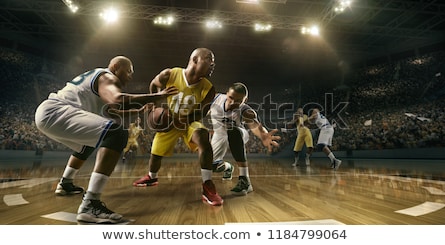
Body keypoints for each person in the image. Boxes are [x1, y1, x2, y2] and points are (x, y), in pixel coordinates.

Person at [35, 56, 177, 223]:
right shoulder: (108, 77)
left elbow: (114, 112)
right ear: (116, 67)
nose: (131, 76)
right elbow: (118, 100)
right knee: (117, 133)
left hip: (50, 113)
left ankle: (66, 183)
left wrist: (140, 110)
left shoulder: (99, 84)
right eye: (129, 71)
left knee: (90, 141)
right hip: (57, 112)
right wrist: (157, 96)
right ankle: (91, 204)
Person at [132, 48, 224, 206]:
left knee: (203, 136)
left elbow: (202, 112)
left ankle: (207, 184)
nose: (213, 63)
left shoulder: (209, 88)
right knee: (155, 153)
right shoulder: (170, 74)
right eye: (209, 59)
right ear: (195, 60)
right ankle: (152, 177)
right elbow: (154, 85)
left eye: (213, 60)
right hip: (169, 119)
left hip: (189, 121)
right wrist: (154, 103)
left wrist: (186, 119)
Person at [209, 82, 281, 195]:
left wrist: (263, 135)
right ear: (226, 93)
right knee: (212, 166)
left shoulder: (246, 111)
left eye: (238, 101)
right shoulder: (215, 99)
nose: (233, 103)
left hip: (238, 133)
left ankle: (244, 180)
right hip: (219, 135)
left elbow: (255, 126)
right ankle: (228, 168)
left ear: (245, 100)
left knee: (233, 130)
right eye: (231, 98)